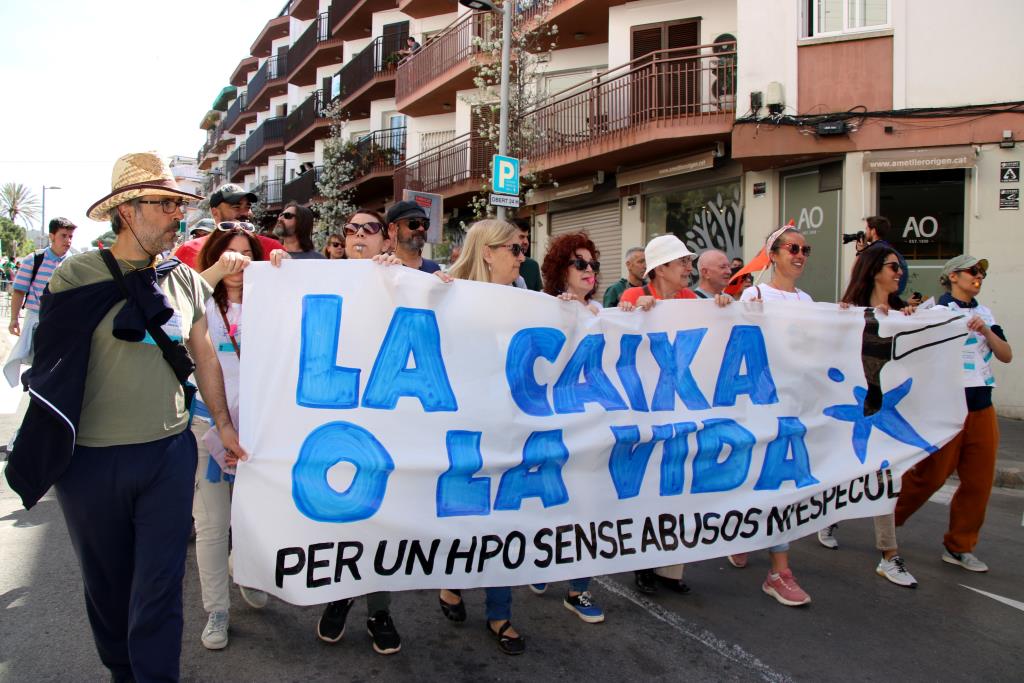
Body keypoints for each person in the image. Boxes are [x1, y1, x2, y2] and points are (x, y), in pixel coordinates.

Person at [4, 152, 245, 681]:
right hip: (90, 463)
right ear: (128, 212)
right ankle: (121, 672)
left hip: (167, 455)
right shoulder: (76, 277)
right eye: (164, 205)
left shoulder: (183, 278)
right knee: (109, 588)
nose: (176, 216)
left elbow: (204, 355)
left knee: (160, 588)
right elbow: (54, 363)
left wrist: (223, 423)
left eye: (178, 204)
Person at [190, 224, 284, 650]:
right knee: (211, 523)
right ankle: (217, 610)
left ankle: (245, 567)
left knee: (256, 515)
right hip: (206, 424)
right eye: (227, 253)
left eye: (245, 253)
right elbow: (174, 304)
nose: (236, 262)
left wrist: (289, 274)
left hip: (262, 430)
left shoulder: (273, 302)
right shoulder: (198, 302)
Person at [315, 208, 403, 655]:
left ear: (385, 240)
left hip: (384, 417)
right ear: (343, 239)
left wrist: (404, 278)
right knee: (340, 512)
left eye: (370, 229)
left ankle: (378, 610)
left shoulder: (400, 277)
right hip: (332, 417)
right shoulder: (313, 280)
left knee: (378, 516)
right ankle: (338, 595)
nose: (360, 235)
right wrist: (273, 275)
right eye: (352, 229)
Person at [895, 255, 1012, 572]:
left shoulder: (985, 313)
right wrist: (908, 314)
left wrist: (987, 331)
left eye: (982, 273)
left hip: (981, 406)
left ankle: (959, 546)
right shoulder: (935, 311)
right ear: (953, 276)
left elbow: (1006, 355)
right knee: (929, 476)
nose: (979, 277)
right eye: (973, 271)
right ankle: (887, 520)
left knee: (979, 481)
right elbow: (907, 344)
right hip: (946, 405)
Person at [443, 219, 526, 655]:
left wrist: (575, 311)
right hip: (459, 428)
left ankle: (500, 612)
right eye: (514, 249)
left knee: (502, 518)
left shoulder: (527, 299)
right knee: (465, 515)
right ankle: (452, 583)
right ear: (488, 252)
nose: (520, 257)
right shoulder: (445, 291)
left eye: (523, 250)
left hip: (508, 427)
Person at [818, 244, 919, 588]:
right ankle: (832, 514)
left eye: (900, 268)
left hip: (890, 408)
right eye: (893, 266)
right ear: (875, 270)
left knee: (887, 477)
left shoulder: (907, 313)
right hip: (858, 405)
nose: (899, 272)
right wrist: (849, 319)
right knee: (855, 470)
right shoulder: (852, 312)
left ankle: (889, 555)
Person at [732, 225, 814, 606]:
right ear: (774, 255)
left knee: (781, 482)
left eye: (805, 249)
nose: (799, 255)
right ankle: (748, 537)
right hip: (761, 406)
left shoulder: (809, 301)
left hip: (793, 405)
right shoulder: (756, 293)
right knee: (755, 478)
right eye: (792, 248)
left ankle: (778, 569)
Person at [527, 231, 606, 622]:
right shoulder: (545, 308)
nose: (589, 270)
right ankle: (542, 562)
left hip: (591, 426)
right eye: (580, 263)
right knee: (552, 501)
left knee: (587, 504)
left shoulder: (605, 312)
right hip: (552, 425)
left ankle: (579, 589)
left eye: (592, 264)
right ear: (562, 270)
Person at [4, 216, 77, 386]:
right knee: (41, 361)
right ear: (52, 236)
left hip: (62, 321)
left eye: (70, 237)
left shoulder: (74, 263)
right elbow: (19, 291)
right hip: (37, 320)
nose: (68, 241)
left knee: (56, 364)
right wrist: (14, 319)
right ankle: (34, 383)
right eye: (63, 236)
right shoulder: (34, 259)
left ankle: (33, 380)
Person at [174, 183, 283, 268]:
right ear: (215, 213)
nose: (245, 213)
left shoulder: (272, 248)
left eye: (248, 207)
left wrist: (287, 262)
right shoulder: (190, 249)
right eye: (236, 207)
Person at [618, 235, 697, 311]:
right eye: (683, 261)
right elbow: (619, 323)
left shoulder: (688, 296)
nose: (690, 268)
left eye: (689, 260)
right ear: (660, 270)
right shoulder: (633, 296)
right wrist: (636, 313)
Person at [856, 215, 908, 294]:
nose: (865, 233)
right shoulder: (890, 249)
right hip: (891, 295)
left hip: (876, 296)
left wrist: (860, 252)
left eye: (866, 229)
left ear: (873, 231)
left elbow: (860, 274)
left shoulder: (874, 250)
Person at [385, 200, 439, 272]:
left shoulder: (434, 268)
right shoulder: (383, 265)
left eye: (425, 224)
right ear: (393, 229)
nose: (421, 228)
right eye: (413, 223)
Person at [514, 219, 543, 291]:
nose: (526, 242)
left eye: (527, 237)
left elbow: (539, 296)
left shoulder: (532, 265)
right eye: (521, 237)